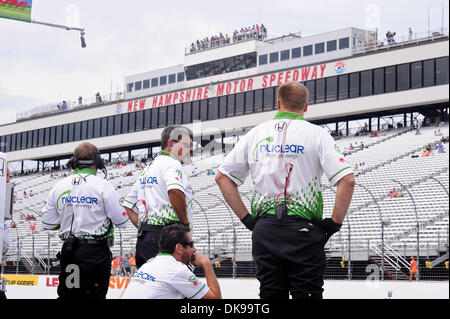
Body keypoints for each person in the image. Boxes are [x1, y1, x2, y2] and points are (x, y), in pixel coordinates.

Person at [215, 81, 355, 299]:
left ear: (278, 102)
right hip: (303, 230)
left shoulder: (255, 134)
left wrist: (247, 219)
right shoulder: (317, 134)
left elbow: (222, 177)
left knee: (270, 296)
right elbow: (347, 180)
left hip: (265, 230)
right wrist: (334, 223)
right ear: (306, 106)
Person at [41, 142, 130, 299]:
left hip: (70, 251)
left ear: (74, 161)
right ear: (98, 161)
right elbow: (122, 222)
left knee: (69, 296)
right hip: (95, 254)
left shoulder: (59, 186)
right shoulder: (105, 186)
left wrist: (69, 221)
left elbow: (48, 223)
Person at [123, 125, 194, 268]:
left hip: (146, 238)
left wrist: (145, 228)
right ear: (171, 144)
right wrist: (184, 227)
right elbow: (174, 191)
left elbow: (128, 205)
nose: (190, 150)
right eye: (186, 145)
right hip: (169, 237)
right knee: (174, 288)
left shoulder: (148, 168)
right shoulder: (171, 163)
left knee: (149, 287)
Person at [121, 223, 221, 299]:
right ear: (179, 248)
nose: (194, 249)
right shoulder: (176, 269)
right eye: (191, 244)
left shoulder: (150, 262)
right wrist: (206, 263)